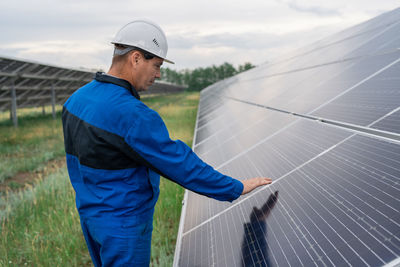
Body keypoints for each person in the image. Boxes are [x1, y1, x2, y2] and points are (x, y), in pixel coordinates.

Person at [62, 19, 272, 267]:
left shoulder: (76, 99)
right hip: (123, 225)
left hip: (90, 215)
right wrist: (234, 187)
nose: (158, 75)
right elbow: (178, 163)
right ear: (136, 58)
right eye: (157, 65)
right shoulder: (131, 114)